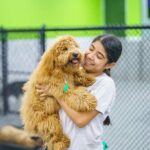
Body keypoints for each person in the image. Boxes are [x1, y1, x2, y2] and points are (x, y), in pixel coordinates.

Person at [36, 34, 122, 150]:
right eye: (91, 49)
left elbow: (80, 120)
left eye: (99, 56)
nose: (90, 56)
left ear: (109, 65)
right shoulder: (74, 72)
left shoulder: (105, 84)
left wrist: (55, 93)